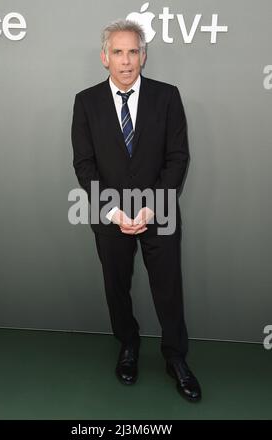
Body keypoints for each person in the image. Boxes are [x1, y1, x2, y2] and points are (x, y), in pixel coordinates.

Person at [71, 19, 201, 402]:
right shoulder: (86, 101)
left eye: (133, 52)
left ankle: (175, 357)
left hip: (158, 215)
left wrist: (150, 207)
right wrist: (114, 212)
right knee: (116, 289)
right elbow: (85, 164)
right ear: (104, 57)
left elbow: (178, 158)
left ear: (143, 56)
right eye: (117, 52)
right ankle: (127, 346)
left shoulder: (167, 96)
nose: (125, 61)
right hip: (110, 220)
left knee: (169, 291)